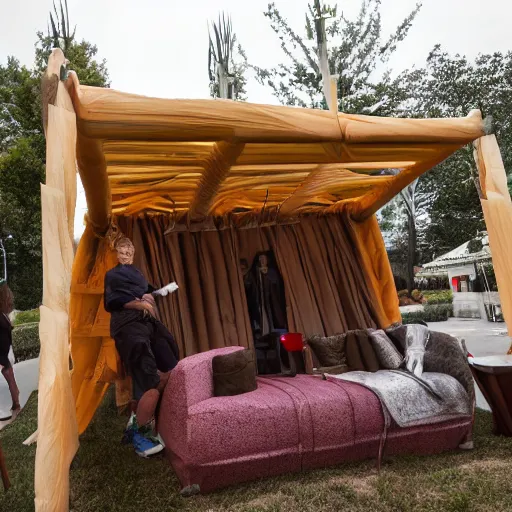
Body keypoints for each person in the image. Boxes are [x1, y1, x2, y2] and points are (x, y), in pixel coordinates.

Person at [104, 237, 180, 457]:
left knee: (171, 366)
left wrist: (150, 296)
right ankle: (141, 437)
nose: (126, 252)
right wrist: (138, 302)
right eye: (122, 249)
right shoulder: (113, 275)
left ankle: (136, 422)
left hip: (148, 323)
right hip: (127, 326)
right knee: (147, 376)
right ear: (117, 252)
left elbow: (148, 294)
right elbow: (114, 300)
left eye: (129, 248)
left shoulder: (137, 274)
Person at [0, 284, 20, 422]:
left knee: (9, 376)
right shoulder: (3, 314)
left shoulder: (3, 314)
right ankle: (16, 404)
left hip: (2, 353)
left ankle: (16, 404)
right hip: (3, 353)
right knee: (9, 376)